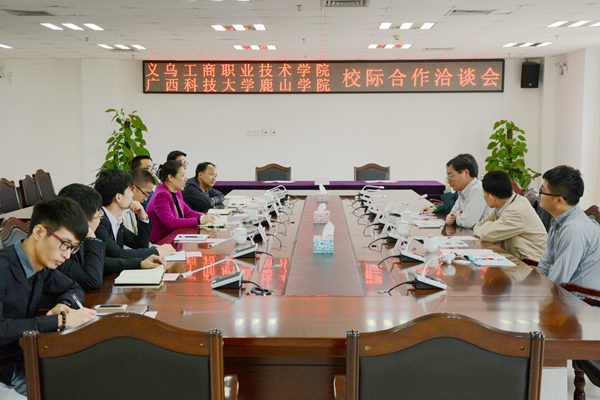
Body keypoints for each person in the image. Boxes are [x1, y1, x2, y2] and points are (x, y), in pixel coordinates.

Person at [0, 198, 97, 398]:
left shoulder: (41, 266)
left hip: (27, 360)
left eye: (73, 248)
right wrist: (60, 321)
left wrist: (64, 305)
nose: (67, 255)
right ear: (38, 232)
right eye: (65, 245)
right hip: (5, 371)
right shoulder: (3, 268)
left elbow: (74, 288)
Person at [537, 165, 600, 289]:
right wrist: (534, 284)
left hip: (580, 298)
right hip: (563, 292)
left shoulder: (574, 230)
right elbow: (545, 263)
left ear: (559, 200)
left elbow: (557, 280)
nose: (539, 195)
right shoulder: (559, 220)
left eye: (542, 191)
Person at [93, 169, 175, 259]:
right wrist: (157, 251)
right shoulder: (98, 221)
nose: (132, 195)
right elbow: (118, 254)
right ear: (118, 197)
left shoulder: (116, 221)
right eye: (129, 190)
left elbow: (139, 245)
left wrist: (143, 217)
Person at [473, 170, 547, 261]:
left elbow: (486, 234)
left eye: (484, 193)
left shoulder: (516, 210)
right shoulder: (506, 204)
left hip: (531, 265)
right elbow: (478, 226)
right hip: (517, 259)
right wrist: (490, 228)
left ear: (491, 198)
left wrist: (489, 228)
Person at [147, 160, 213, 243]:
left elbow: (188, 212)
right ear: (170, 177)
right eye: (182, 175)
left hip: (176, 237)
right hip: (162, 242)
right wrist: (199, 221)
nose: (186, 179)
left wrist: (208, 216)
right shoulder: (161, 195)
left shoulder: (177, 192)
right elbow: (170, 222)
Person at [56, 184, 106, 290]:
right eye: (99, 215)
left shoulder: (74, 238)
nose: (100, 219)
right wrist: (91, 237)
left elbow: (101, 263)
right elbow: (93, 280)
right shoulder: (60, 249)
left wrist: (139, 263)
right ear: (84, 220)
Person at [444, 154, 489, 228]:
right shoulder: (462, 190)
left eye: (451, 176)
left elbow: (467, 223)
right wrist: (457, 216)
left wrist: (457, 217)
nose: (448, 181)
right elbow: (452, 214)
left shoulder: (478, 189)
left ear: (465, 173)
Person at [123, 168, 156, 235]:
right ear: (133, 189)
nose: (146, 199)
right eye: (145, 194)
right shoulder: (121, 211)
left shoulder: (133, 207)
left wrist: (144, 217)